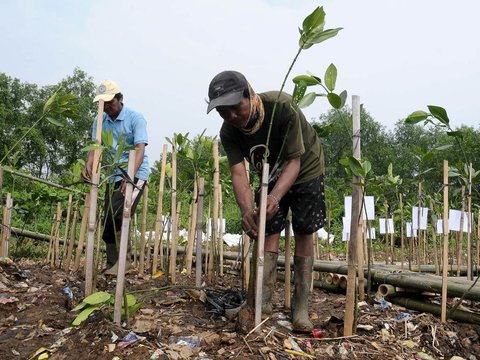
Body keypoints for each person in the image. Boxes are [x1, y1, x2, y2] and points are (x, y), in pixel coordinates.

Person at [207, 70, 326, 333]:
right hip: (269, 173)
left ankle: (301, 308)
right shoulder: (229, 132)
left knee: (304, 231)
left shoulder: (281, 107)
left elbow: (294, 162)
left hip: (306, 167)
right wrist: (248, 210)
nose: (232, 116)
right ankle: (261, 302)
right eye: (223, 112)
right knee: (268, 227)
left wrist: (274, 197)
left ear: (250, 92)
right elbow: (239, 173)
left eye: (235, 107)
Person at [81, 80, 149, 276]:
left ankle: (125, 263)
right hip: (112, 176)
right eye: (103, 103)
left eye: (109, 102)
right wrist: (89, 164)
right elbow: (96, 146)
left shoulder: (136, 118)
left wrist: (130, 176)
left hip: (135, 174)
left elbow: (140, 149)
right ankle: (112, 264)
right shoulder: (99, 120)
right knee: (109, 219)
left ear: (120, 99)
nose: (106, 106)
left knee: (120, 214)